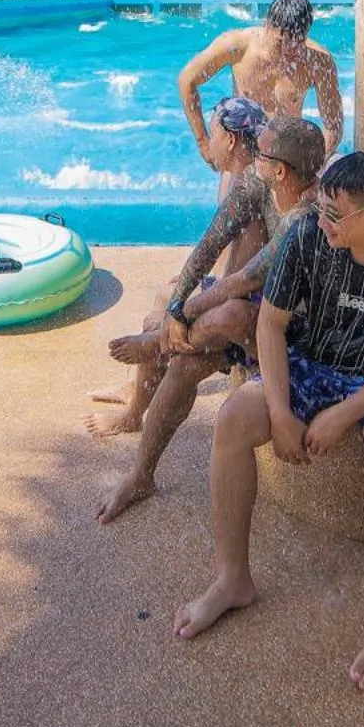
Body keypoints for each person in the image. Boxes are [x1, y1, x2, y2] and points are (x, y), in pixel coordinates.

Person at [174, 152, 364, 696]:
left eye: (334, 215)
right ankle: (232, 578)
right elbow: (272, 327)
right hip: (312, 363)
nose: (320, 221)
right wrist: (280, 413)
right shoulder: (307, 234)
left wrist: (344, 415)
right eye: (321, 209)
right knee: (234, 417)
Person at [93, 116, 327, 523]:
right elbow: (212, 241)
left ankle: (157, 344)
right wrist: (176, 305)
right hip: (254, 317)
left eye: (262, 153)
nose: (254, 157)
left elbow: (247, 279)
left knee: (228, 312)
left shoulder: (306, 220)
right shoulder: (260, 184)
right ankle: (141, 474)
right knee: (184, 363)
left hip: (299, 339)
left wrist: (178, 316)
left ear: (280, 170)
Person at [87, 95, 273, 437]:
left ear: (230, 140)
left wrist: (190, 299)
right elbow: (228, 249)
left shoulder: (250, 185)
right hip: (236, 289)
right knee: (164, 296)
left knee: (161, 322)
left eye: (212, 135)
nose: (206, 144)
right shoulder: (243, 176)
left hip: (244, 306)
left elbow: (242, 271)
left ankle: (139, 395)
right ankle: (135, 397)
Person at [178, 0, 343, 176]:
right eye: (281, 43)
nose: (290, 50)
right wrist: (204, 143)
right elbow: (187, 80)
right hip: (244, 152)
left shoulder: (319, 61)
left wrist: (313, 167)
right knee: (231, 199)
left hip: (285, 151)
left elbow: (333, 126)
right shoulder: (238, 46)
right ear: (266, 25)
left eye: (299, 42)